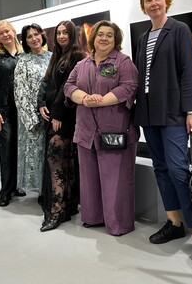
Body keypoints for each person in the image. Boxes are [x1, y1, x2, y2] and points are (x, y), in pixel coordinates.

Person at [134, 0, 192, 268]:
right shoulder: (143, 38)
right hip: (148, 113)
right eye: (148, 0)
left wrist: (191, 112)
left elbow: (189, 71)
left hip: (172, 113)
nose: (153, 3)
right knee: (160, 168)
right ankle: (174, 223)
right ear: (143, 6)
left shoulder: (179, 30)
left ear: (166, 1)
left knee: (179, 170)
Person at [64, 20, 139, 236]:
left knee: (116, 180)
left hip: (115, 130)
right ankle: (93, 217)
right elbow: (69, 86)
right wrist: (85, 98)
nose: (104, 38)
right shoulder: (82, 64)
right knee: (89, 179)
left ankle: (119, 224)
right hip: (86, 131)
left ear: (116, 40)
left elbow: (129, 87)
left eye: (109, 35)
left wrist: (101, 100)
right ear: (93, 38)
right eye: (100, 34)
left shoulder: (123, 62)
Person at [37, 21, 86, 232]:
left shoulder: (77, 55)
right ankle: (67, 207)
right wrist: (41, 103)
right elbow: (47, 82)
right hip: (54, 115)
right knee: (65, 162)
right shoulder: (57, 55)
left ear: (73, 34)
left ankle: (57, 211)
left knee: (56, 160)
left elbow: (69, 87)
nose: (62, 36)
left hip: (65, 116)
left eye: (66, 32)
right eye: (59, 33)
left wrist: (58, 114)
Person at [0, 20, 26, 207]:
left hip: (22, 110)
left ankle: (17, 186)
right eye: (1, 33)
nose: (5, 35)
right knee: (6, 148)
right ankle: (6, 191)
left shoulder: (24, 54)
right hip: (3, 111)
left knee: (19, 148)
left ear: (13, 32)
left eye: (7, 31)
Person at [14, 23, 51, 199]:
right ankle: (41, 192)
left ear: (42, 36)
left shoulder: (52, 57)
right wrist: (31, 119)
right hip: (33, 118)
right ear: (25, 41)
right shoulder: (23, 62)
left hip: (52, 114)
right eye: (29, 36)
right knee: (36, 154)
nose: (34, 38)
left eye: (36, 34)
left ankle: (51, 189)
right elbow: (20, 92)